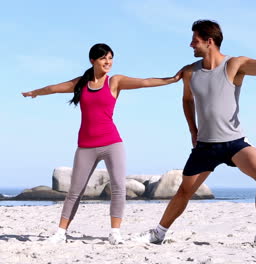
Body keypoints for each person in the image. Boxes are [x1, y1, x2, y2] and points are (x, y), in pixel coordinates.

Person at [132, 20, 256, 247]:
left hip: (234, 142)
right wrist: (192, 129)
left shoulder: (234, 65)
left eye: (195, 40)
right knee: (184, 191)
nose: (190, 44)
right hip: (205, 145)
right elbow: (187, 99)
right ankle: (159, 233)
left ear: (209, 41)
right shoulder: (189, 72)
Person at [22, 43, 182, 244]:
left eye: (110, 58)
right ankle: (60, 233)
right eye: (103, 58)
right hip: (85, 146)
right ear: (93, 60)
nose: (108, 62)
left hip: (112, 144)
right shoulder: (82, 83)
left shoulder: (115, 82)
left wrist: (173, 79)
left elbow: (145, 82)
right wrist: (35, 92)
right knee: (75, 191)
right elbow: (53, 88)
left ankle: (115, 233)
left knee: (118, 188)